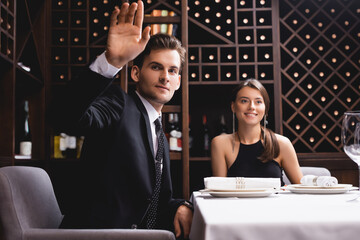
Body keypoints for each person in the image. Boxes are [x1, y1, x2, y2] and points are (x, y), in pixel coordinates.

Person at [50, 1, 192, 238]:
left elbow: (153, 199)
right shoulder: (118, 104)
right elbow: (64, 117)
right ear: (136, 72)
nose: (165, 77)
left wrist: (181, 206)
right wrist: (111, 62)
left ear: (178, 81)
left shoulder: (158, 130)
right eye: (156, 67)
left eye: (172, 70)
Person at [211, 79, 302, 185]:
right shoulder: (220, 144)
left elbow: (301, 190)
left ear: (265, 108)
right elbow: (219, 192)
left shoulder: (282, 144)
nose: (251, 107)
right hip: (237, 202)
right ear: (233, 107)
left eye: (258, 102)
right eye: (244, 101)